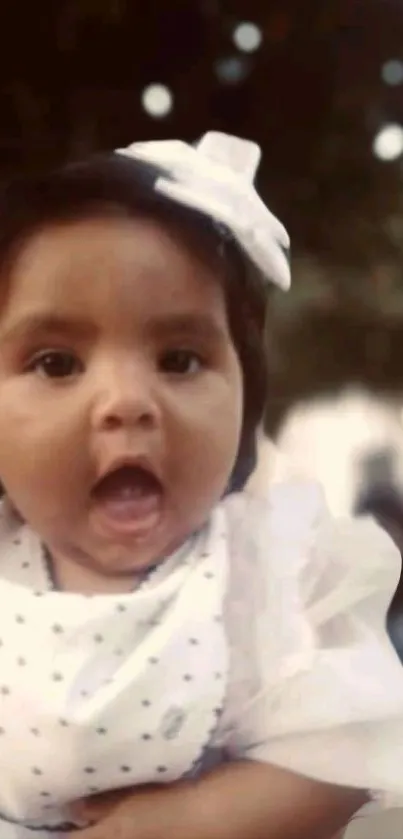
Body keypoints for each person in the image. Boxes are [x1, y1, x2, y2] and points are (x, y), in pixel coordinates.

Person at [0, 132, 402, 839]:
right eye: (58, 362)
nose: (126, 400)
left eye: (179, 358)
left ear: (246, 395)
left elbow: (352, 752)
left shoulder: (266, 573)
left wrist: (187, 820)